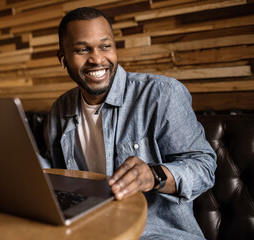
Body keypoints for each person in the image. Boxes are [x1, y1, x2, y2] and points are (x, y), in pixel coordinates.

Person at [41, 7, 217, 240]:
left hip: (156, 233)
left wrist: (154, 176)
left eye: (105, 46)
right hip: (89, 230)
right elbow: (54, 171)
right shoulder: (60, 109)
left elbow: (204, 167)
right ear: (63, 58)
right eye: (82, 49)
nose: (96, 58)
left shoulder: (162, 94)